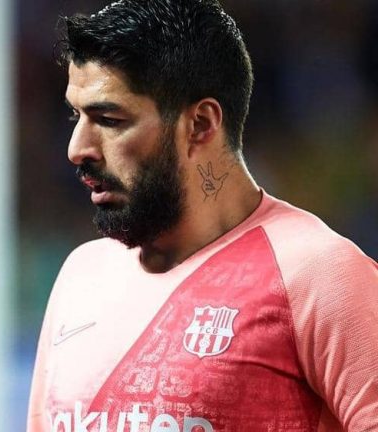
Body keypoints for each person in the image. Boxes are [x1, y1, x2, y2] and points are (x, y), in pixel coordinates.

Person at [26, 1, 378, 431]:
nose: (77, 148)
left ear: (200, 124)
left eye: (110, 119)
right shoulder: (80, 277)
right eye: (76, 115)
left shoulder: (318, 276)